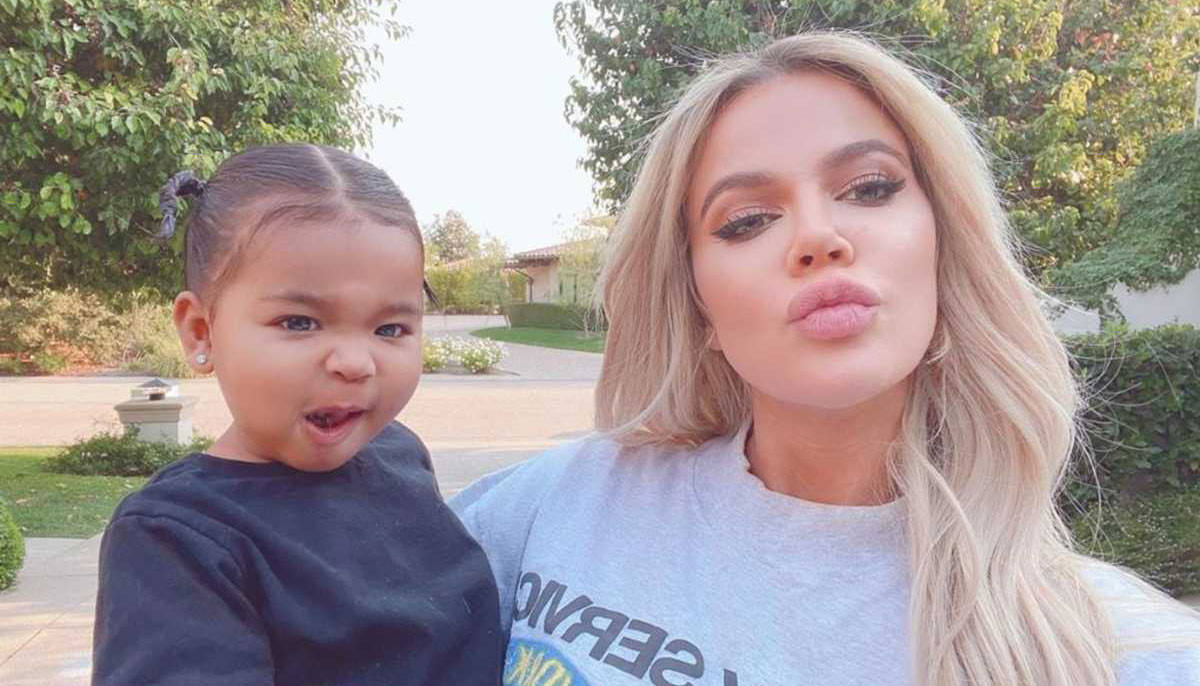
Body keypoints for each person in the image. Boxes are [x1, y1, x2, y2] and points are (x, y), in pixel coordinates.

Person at [451, 32, 1200, 686]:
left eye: (869, 188)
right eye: (747, 221)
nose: (817, 236)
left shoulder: (1117, 650)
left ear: (945, 243)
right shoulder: (565, 500)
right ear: (698, 304)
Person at [92, 144, 504, 686]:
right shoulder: (177, 540)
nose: (355, 363)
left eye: (390, 329)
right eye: (299, 322)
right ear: (201, 331)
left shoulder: (400, 454)